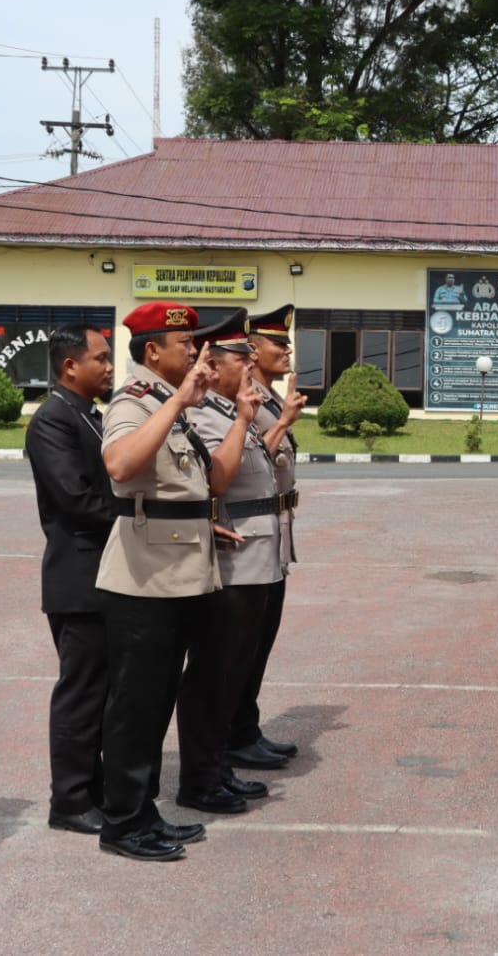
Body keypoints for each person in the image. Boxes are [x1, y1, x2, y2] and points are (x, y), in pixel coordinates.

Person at [94, 302, 223, 861]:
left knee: (156, 703)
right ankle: (122, 823)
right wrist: (175, 402)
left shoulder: (169, 404)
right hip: (143, 580)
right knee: (135, 706)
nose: (193, 351)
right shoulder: (133, 402)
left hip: (177, 576)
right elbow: (121, 467)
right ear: (152, 351)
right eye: (183, 342)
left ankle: (143, 812)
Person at [174, 309, 276, 811]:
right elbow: (219, 478)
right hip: (230, 559)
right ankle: (199, 777)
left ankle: (218, 766)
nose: (251, 362)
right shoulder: (205, 413)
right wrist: (241, 420)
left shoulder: (230, 408)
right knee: (212, 673)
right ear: (213, 364)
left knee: (232, 670)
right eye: (243, 355)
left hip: (253, 557)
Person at [24, 323, 116, 835]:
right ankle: (71, 801)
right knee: (81, 694)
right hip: (79, 578)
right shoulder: (52, 420)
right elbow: (77, 499)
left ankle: (95, 790)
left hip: (105, 574)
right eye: (100, 359)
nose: (108, 367)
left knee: (103, 693)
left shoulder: (90, 415)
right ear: (69, 366)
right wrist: (141, 519)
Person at [226, 304, 307, 769]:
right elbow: (248, 460)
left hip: (274, 536)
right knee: (241, 645)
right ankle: (234, 735)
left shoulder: (270, 396)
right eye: (279, 343)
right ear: (253, 350)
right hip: (247, 535)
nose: (288, 351)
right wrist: (283, 424)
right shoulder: (244, 398)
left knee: (260, 643)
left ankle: (246, 727)